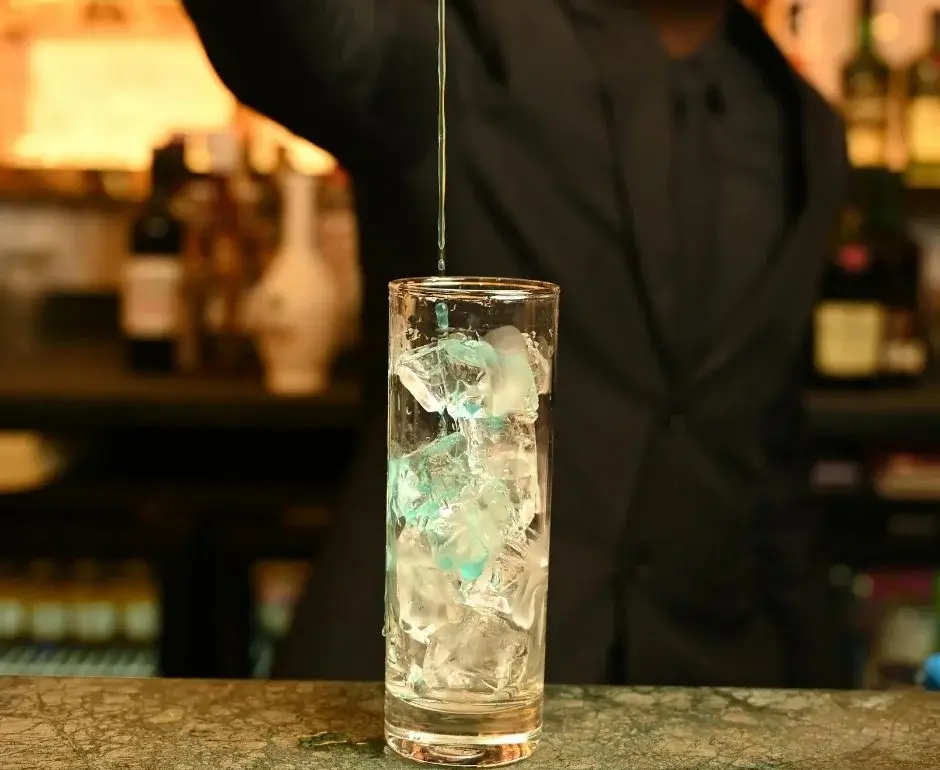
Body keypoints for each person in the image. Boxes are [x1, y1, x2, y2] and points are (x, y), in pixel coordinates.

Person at [182, 0, 848, 688]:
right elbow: (281, 31)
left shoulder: (805, 130)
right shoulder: (449, 39)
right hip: (439, 683)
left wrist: (834, 708)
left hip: (708, 686)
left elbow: (766, 455)